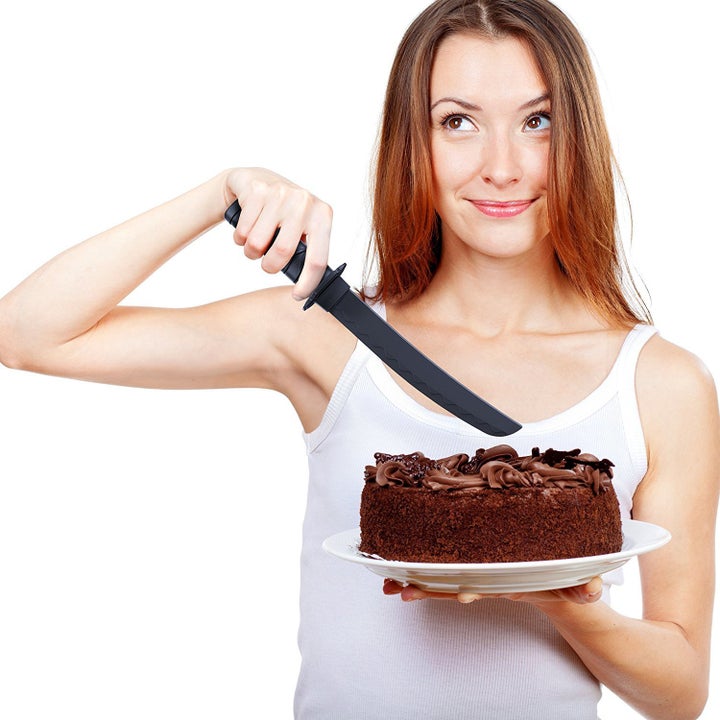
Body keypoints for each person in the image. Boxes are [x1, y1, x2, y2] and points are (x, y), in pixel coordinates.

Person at [0, 0, 717, 717]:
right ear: (412, 143)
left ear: (581, 137)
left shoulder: (659, 383)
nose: (502, 167)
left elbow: (680, 694)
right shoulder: (327, 336)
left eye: (539, 121)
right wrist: (218, 194)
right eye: (457, 122)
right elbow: (27, 335)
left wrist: (560, 599)